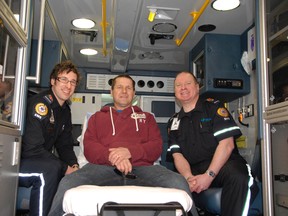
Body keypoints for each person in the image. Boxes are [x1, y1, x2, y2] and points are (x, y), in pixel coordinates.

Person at [48, 74, 193, 216]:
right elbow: (90, 147)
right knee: (67, 182)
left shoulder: (147, 118)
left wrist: (129, 152)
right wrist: (115, 157)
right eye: (119, 87)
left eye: (128, 88)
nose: (124, 91)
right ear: (111, 92)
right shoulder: (96, 118)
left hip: (143, 168)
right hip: (102, 167)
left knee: (179, 181)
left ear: (134, 93)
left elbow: (155, 147)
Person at [166, 71, 258, 216]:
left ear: (197, 87)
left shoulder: (213, 108)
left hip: (223, 165)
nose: (183, 87)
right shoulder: (173, 122)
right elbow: (177, 156)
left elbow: (227, 145)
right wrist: (189, 178)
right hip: (193, 170)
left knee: (239, 177)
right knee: (170, 183)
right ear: (175, 91)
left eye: (188, 83)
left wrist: (209, 175)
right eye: (178, 85)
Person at [19, 60, 81, 216]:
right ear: (53, 81)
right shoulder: (40, 104)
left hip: (37, 161)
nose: (68, 86)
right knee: (49, 169)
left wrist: (74, 166)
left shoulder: (65, 110)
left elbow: (65, 145)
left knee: (70, 172)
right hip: (16, 164)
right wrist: (64, 167)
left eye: (72, 82)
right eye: (64, 80)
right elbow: (32, 148)